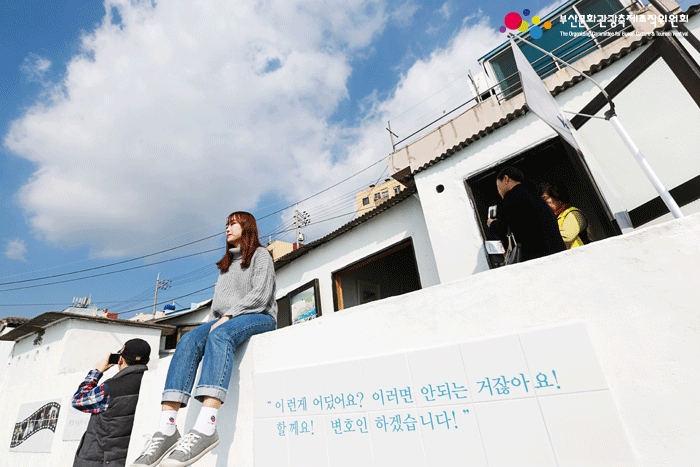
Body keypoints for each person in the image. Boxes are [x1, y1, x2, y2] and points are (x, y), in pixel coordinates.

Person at [131, 211, 277, 467]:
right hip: (226, 318)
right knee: (188, 340)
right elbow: (218, 306)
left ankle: (207, 426)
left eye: (233, 224)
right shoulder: (226, 265)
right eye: (226, 225)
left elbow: (260, 296)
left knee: (220, 334)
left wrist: (227, 317)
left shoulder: (261, 255)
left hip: (259, 315)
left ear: (247, 227)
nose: (227, 228)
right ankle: (167, 429)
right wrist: (210, 325)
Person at [72, 338, 151, 467]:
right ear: (147, 361)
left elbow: (78, 400)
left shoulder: (110, 388)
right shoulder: (151, 385)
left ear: (120, 360)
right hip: (124, 459)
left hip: (96, 460)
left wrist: (97, 372)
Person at [486, 167, 566, 262]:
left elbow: (506, 230)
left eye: (497, 186)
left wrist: (492, 224)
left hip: (537, 258)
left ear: (506, 179)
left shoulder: (512, 197)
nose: (498, 191)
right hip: (558, 256)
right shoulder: (535, 196)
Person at [539, 182, 593, 249]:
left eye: (545, 198)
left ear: (557, 197)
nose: (543, 203)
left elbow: (566, 237)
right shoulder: (552, 218)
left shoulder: (574, 214)